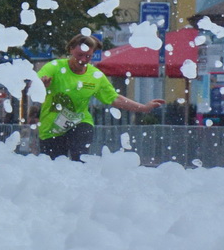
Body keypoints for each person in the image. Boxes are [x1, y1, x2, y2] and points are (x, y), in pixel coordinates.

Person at [37, 32, 162, 160]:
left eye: (88, 56)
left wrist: (143, 107)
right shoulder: (55, 67)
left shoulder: (95, 76)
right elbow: (35, 82)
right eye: (79, 55)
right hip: (51, 128)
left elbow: (114, 98)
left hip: (80, 121)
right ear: (71, 50)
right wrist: (40, 85)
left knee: (80, 158)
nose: (83, 60)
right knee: (55, 167)